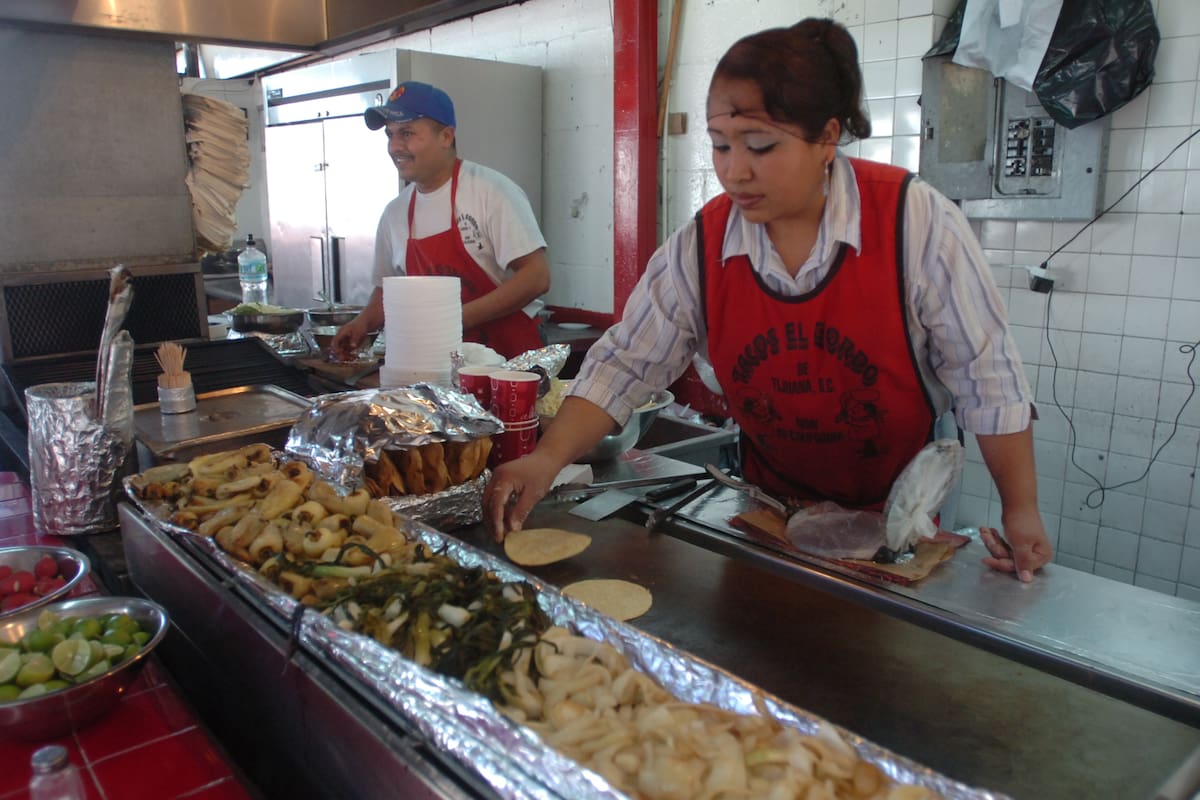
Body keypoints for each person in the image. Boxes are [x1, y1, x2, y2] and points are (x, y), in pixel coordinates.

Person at [484, 18, 1053, 581]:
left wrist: (1020, 508)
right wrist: (546, 458)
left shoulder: (914, 223)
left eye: (760, 146)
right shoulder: (703, 246)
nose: (735, 171)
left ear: (827, 137)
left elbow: (988, 378)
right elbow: (626, 363)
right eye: (721, 146)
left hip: (900, 514)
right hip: (770, 507)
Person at [332, 81, 550, 360]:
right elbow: (387, 289)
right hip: (437, 362)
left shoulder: (491, 192)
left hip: (507, 360)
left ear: (446, 137)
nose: (395, 147)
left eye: (407, 133)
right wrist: (361, 324)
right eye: (390, 134)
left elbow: (536, 276)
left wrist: (453, 321)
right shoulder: (395, 213)